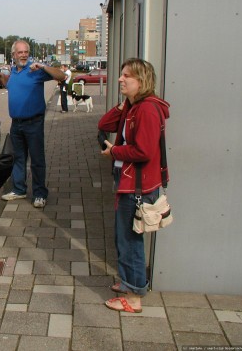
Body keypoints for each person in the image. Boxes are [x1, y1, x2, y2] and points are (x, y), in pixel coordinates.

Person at [98, 58, 170, 313]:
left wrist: (115, 151)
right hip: (129, 183)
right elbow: (104, 124)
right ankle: (130, 283)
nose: (120, 79)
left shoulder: (147, 110)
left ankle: (134, 297)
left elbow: (144, 151)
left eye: (126, 76)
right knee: (125, 239)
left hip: (136, 187)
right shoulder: (134, 106)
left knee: (130, 241)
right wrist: (124, 103)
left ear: (141, 81)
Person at [0, 40, 66, 208]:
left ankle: (40, 193)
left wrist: (43, 66)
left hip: (34, 123)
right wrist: (0, 75)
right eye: (20, 52)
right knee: (18, 158)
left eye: (26, 52)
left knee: (37, 160)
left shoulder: (36, 70)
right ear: (13, 55)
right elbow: (10, 85)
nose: (24, 55)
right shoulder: (15, 72)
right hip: (16, 124)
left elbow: (62, 76)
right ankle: (19, 189)